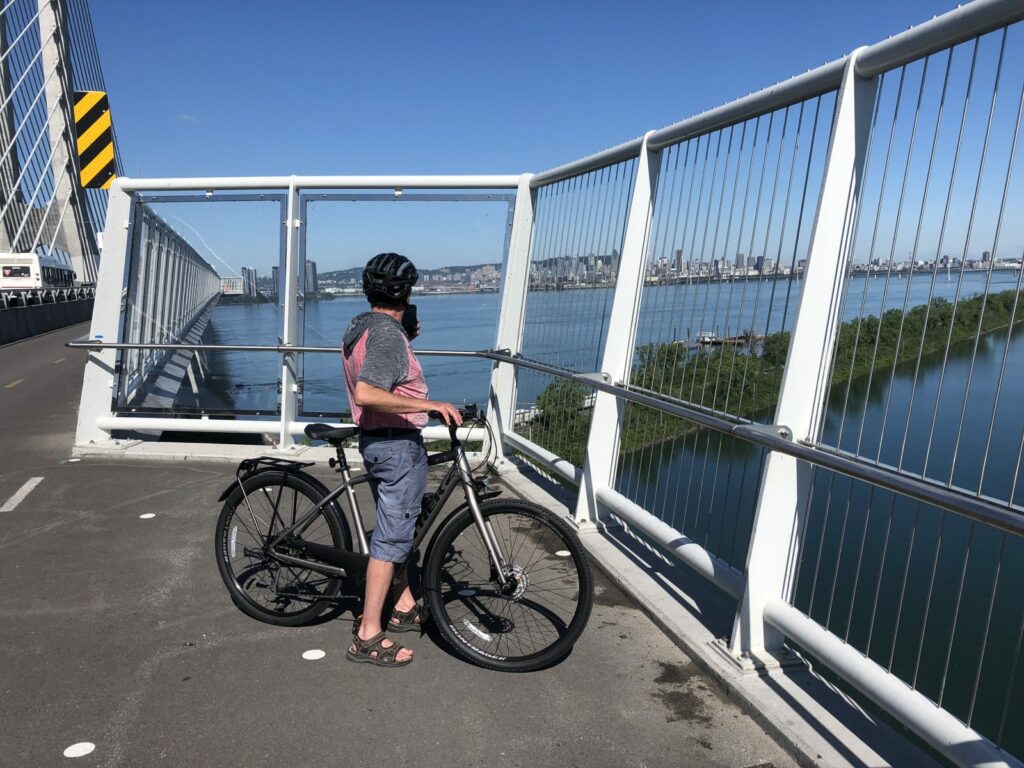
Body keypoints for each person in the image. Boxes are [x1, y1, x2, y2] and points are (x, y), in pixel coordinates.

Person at [341, 252, 462, 667]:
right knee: (390, 541)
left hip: (377, 440)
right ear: (406, 293)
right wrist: (432, 404)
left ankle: (404, 603)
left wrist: (404, 335)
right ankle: (368, 635)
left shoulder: (363, 328)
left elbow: (385, 371)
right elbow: (367, 392)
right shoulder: (388, 335)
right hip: (397, 446)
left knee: (400, 527)